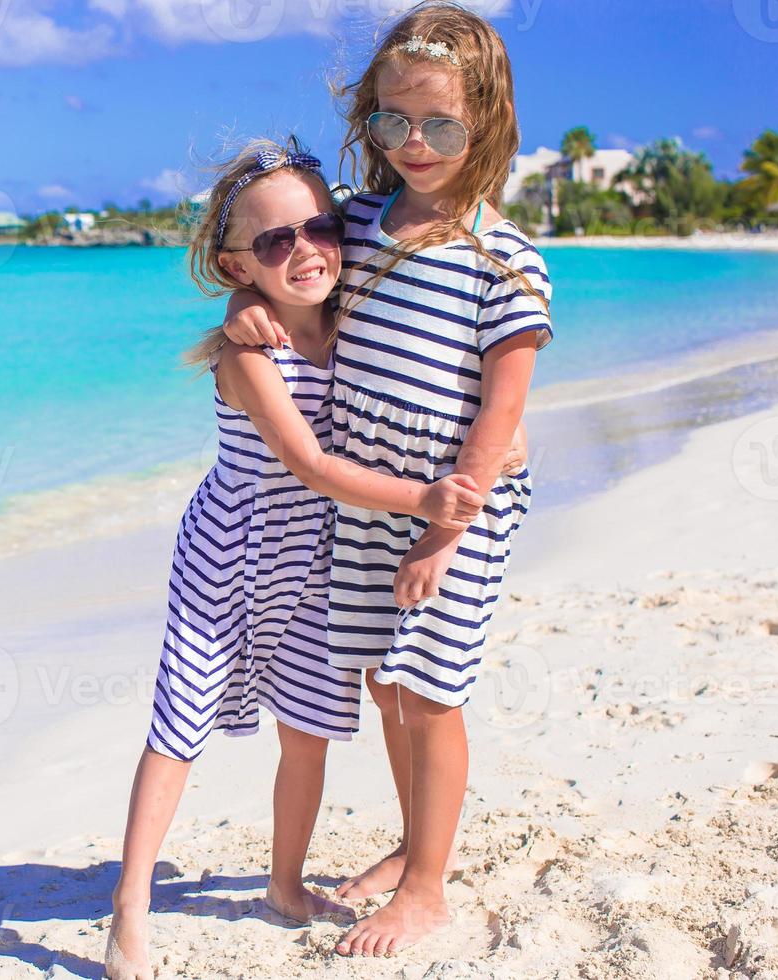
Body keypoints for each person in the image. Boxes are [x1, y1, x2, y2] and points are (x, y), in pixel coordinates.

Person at [104, 133, 526, 979]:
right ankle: (129, 909)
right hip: (232, 555)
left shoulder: (354, 312)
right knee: (178, 724)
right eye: (273, 241)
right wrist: (428, 501)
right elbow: (310, 465)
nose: (304, 249)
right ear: (235, 265)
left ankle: (286, 885)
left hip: (318, 560)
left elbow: (438, 364)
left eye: (319, 227)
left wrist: (496, 440)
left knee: (308, 734)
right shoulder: (246, 353)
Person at [220, 1, 554, 956]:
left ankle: (428, 890)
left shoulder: (508, 263)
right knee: (381, 678)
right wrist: (250, 312)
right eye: (391, 120)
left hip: (458, 503)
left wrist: (450, 529)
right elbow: (292, 273)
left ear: (486, 123)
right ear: (367, 117)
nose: (414, 142)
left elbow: (500, 411)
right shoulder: (358, 224)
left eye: (441, 124)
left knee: (429, 690)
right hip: (365, 496)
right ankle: (415, 849)